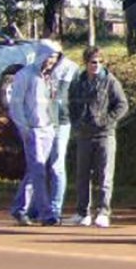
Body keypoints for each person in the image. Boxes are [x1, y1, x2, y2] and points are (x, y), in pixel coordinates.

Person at [67, 47, 129, 228]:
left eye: (100, 62)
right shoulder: (78, 82)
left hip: (104, 135)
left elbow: (122, 105)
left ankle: (103, 211)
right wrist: (76, 122)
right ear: (86, 63)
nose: (97, 65)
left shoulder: (110, 81)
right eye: (93, 62)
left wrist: (107, 121)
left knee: (104, 175)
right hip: (84, 134)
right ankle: (82, 212)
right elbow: (71, 104)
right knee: (82, 175)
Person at [8, 40, 64, 226]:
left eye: (55, 58)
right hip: (33, 130)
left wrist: (55, 125)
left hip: (49, 129)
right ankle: (46, 214)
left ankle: (19, 209)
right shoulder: (24, 75)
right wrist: (24, 128)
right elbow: (15, 105)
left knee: (34, 171)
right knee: (39, 172)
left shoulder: (51, 76)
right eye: (50, 57)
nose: (52, 61)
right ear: (41, 55)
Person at [45, 50, 80, 225]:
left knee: (56, 165)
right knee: (38, 166)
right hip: (42, 123)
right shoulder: (39, 66)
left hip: (62, 122)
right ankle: (37, 208)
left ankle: (54, 210)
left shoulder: (70, 68)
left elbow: (73, 98)